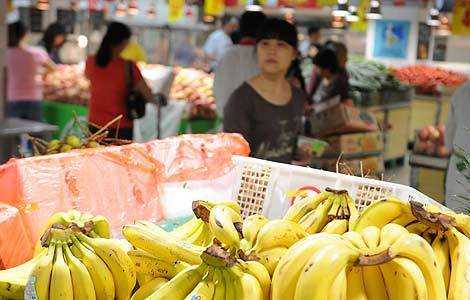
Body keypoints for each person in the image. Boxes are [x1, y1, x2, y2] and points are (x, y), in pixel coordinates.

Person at [224, 18, 307, 164]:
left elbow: (287, 143)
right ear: (257, 50)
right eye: (265, 43)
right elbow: (233, 158)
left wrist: (298, 152)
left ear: (294, 54)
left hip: (286, 185)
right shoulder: (241, 100)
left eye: (281, 44)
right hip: (250, 184)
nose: (272, 51)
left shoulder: (297, 96)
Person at [85, 22, 153, 140]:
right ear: (123, 42)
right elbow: (148, 95)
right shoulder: (128, 66)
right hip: (120, 127)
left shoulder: (91, 62)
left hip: (94, 124)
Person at [213, 11, 266, 118]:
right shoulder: (265, 58)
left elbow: (216, 89)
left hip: (227, 122)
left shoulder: (226, 55)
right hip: (258, 126)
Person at [6, 21, 54, 122]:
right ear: (25, 35)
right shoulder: (36, 52)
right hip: (33, 96)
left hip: (12, 97)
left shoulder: (5, 54)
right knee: (35, 135)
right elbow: (52, 68)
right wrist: (42, 74)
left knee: (14, 134)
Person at [445, 83, 470, 210]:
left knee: (456, 217)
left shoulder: (461, 92)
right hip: (460, 163)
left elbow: (449, 133)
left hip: (459, 164)